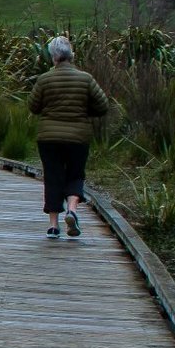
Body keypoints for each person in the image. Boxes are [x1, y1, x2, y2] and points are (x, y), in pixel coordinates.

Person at [26, 35, 111, 239]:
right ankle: (72, 210)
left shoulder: (44, 79)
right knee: (75, 174)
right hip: (78, 137)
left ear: (53, 56)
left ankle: (54, 226)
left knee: (53, 177)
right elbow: (103, 105)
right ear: (70, 55)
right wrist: (84, 111)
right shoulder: (86, 79)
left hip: (49, 138)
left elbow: (33, 106)